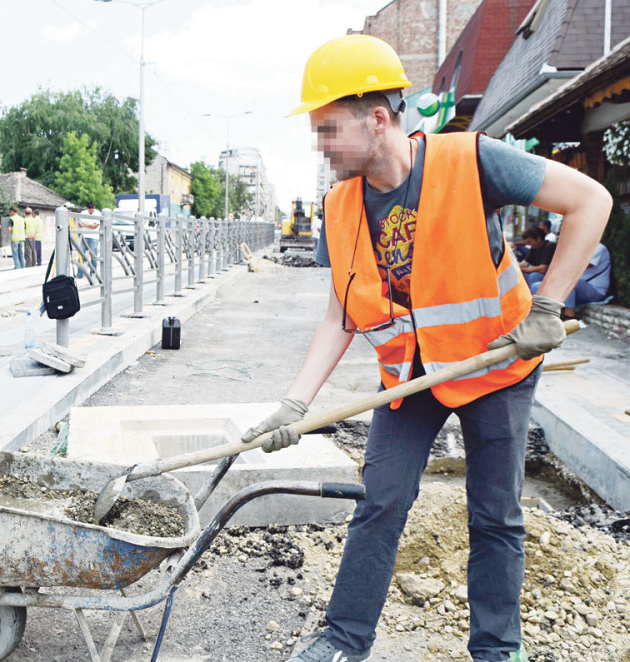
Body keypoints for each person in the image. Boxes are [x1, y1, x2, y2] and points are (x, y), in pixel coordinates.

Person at [243, 35, 611, 662]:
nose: (321, 145)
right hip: (409, 378)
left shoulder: (471, 160)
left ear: (377, 119)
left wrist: (548, 307)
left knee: (495, 515)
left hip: (497, 363)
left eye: (329, 128)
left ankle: (497, 651)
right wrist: (294, 404)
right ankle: (342, 640)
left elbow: (590, 200)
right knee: (379, 500)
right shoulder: (338, 208)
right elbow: (342, 316)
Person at [532, 242, 610, 317]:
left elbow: (578, 267)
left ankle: (569, 315)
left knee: (567, 281)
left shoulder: (598, 248)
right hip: (577, 289)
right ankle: (541, 313)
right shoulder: (578, 248)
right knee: (536, 284)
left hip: (595, 291)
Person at [76, 201, 101, 278]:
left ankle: (93, 274)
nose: (90, 210)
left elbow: (95, 226)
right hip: (84, 236)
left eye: (92, 209)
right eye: (89, 209)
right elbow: (80, 224)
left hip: (94, 237)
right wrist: (89, 225)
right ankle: (80, 274)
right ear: (87, 208)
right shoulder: (83, 213)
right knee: (81, 256)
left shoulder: (98, 213)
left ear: (94, 207)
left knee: (93, 257)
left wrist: (86, 224)